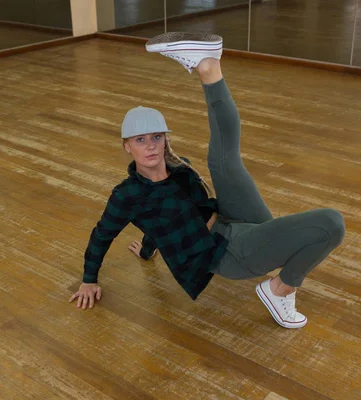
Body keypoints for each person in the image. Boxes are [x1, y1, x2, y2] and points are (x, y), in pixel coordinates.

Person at [69, 32, 345, 329]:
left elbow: (158, 223)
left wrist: (148, 250)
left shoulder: (180, 168)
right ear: (127, 146)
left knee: (223, 159)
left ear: (165, 140)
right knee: (331, 223)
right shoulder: (127, 195)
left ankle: (209, 69)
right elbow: (102, 235)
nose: (150, 145)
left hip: (232, 219)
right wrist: (88, 280)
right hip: (225, 252)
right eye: (140, 139)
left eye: (156, 137)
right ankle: (280, 290)